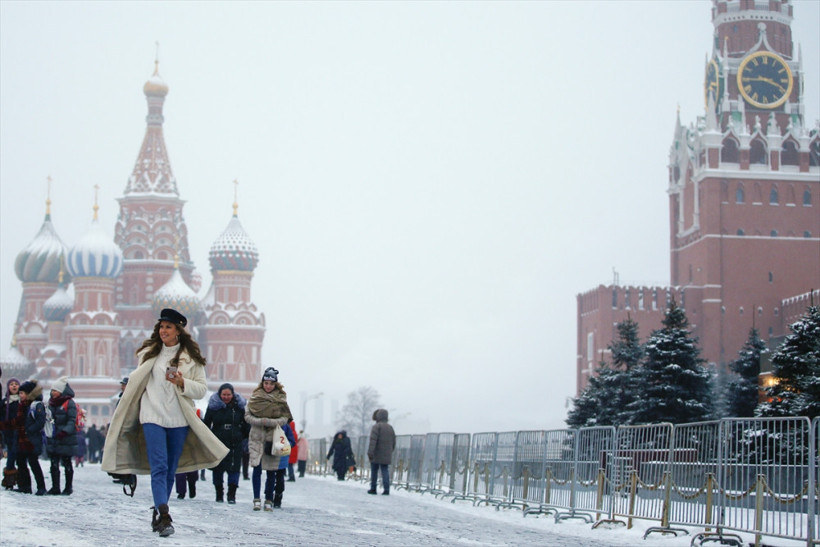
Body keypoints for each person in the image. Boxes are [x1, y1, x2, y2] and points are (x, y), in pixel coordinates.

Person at [101, 308, 228, 537]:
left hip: (179, 418)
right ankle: (164, 511)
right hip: (152, 416)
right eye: (161, 326)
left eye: (168, 327)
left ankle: (160, 512)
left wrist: (182, 382)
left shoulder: (191, 358)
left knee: (170, 469)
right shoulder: (149, 353)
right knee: (159, 466)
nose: (163, 331)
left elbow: (200, 389)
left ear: (178, 331)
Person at [245, 367, 293, 511]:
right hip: (257, 437)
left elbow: (286, 418)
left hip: (273, 439)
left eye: (271, 384)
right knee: (257, 469)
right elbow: (247, 416)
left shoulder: (281, 399)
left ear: (275, 385)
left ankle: (268, 499)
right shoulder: (254, 398)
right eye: (266, 383)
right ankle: (256, 499)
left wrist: (271, 422)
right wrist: (261, 422)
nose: (268, 386)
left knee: (272, 471)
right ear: (262, 383)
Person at [203, 382, 249, 504]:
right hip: (218, 441)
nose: (226, 397)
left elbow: (246, 424)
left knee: (234, 469)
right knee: (218, 468)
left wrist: (242, 436)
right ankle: (219, 494)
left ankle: (232, 495)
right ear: (220, 394)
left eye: (228, 394)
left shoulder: (239, 407)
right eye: (224, 394)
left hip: (235, 442)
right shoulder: (214, 406)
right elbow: (206, 423)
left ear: (233, 395)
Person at [0, 380, 47, 495]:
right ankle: (25, 486)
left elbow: (40, 422)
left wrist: (28, 430)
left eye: (22, 393)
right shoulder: (22, 406)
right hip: (20, 439)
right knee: (21, 463)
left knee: (33, 463)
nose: (20, 395)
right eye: (20, 393)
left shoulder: (36, 405)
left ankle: (41, 487)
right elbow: (17, 421)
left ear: (29, 393)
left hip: (31, 440)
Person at [45, 376, 78, 495]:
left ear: (61, 391)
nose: (53, 392)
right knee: (53, 463)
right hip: (54, 437)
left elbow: (71, 420)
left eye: (55, 390)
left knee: (67, 463)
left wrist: (64, 431)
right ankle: (55, 487)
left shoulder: (69, 403)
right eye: (52, 390)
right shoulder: (51, 403)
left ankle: (68, 487)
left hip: (65, 438)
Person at [367, 408, 396, 496]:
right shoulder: (390, 428)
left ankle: (373, 488)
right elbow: (394, 441)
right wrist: (390, 450)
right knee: (385, 470)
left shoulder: (376, 427)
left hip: (376, 453)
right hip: (386, 453)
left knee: (374, 470)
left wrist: (370, 452)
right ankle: (386, 489)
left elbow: (373, 441)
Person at [1, 377, 20, 490]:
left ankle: (23, 481)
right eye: (11, 384)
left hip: (20, 433)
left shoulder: (22, 401)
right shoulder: (4, 402)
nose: (14, 386)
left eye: (16, 384)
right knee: (11, 456)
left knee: (21, 458)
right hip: (8, 433)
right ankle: (9, 481)